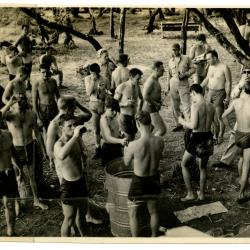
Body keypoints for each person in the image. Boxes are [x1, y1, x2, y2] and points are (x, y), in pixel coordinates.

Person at [1, 94, 48, 210]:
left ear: (26, 101)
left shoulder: (31, 114)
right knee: (17, 175)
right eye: (17, 99)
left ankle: (36, 200)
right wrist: (9, 103)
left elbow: (37, 133)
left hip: (29, 146)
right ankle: (18, 203)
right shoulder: (9, 115)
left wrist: (44, 149)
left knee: (32, 175)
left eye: (22, 99)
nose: (20, 101)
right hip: (15, 149)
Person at [124, 111, 164, 237]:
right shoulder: (160, 141)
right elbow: (159, 156)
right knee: (153, 212)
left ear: (137, 123)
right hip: (153, 178)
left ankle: (136, 242)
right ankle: (153, 237)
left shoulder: (133, 145)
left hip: (139, 181)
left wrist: (125, 149)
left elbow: (126, 163)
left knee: (133, 213)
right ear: (150, 123)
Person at [178, 84, 215, 201]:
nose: (191, 97)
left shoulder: (195, 106)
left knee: (184, 164)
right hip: (208, 136)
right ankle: (202, 194)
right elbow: (217, 124)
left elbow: (193, 125)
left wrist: (182, 121)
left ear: (193, 93)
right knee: (203, 167)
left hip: (197, 137)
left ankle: (190, 193)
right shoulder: (211, 106)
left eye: (191, 95)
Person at [54, 117, 89, 236]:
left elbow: (84, 151)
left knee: (82, 216)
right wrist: (75, 137)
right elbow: (61, 155)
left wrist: (84, 153)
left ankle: (85, 239)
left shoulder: (76, 139)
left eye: (74, 125)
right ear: (61, 128)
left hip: (80, 180)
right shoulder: (59, 144)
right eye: (69, 126)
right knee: (69, 219)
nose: (73, 128)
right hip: (69, 185)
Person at [212, 71, 250, 170]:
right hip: (242, 116)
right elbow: (233, 96)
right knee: (234, 137)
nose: (247, 74)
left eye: (249, 72)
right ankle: (225, 161)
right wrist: (241, 86)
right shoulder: (240, 85)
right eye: (244, 72)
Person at [222, 81, 250, 203]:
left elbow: (223, 116)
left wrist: (231, 129)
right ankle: (241, 194)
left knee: (241, 159)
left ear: (243, 90)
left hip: (238, 134)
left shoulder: (236, 102)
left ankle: (241, 181)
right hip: (248, 136)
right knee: (246, 165)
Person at [201, 50, 232, 144]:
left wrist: (228, 96)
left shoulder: (224, 67)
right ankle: (214, 135)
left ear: (215, 58)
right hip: (210, 92)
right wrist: (198, 87)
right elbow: (207, 78)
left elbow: (229, 83)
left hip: (220, 93)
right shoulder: (210, 66)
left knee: (220, 116)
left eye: (209, 59)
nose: (207, 61)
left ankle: (220, 137)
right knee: (211, 116)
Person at [0, 107, 20, 236]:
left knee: (9, 204)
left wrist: (18, 167)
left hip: (8, 173)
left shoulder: (7, 134)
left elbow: (13, 152)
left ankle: (11, 232)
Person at [167, 43, 195, 132]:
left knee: (186, 105)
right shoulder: (170, 61)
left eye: (176, 49)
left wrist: (185, 74)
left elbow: (193, 69)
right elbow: (169, 75)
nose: (174, 52)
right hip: (173, 84)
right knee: (175, 106)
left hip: (183, 83)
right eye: (173, 50)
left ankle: (189, 125)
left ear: (180, 49)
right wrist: (167, 87)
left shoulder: (186, 58)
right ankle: (178, 124)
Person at [85, 63, 109, 159]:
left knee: (105, 127)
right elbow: (88, 93)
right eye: (91, 73)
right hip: (94, 103)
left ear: (98, 72)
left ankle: (107, 146)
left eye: (95, 73)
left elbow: (109, 91)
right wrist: (93, 82)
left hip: (103, 104)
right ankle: (97, 148)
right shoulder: (88, 79)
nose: (93, 75)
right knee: (96, 129)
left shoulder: (104, 79)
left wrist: (105, 94)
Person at [114, 68, 143, 141]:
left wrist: (139, 110)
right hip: (124, 116)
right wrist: (125, 104)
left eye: (139, 79)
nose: (139, 81)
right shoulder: (122, 87)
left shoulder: (137, 86)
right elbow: (114, 103)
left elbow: (141, 99)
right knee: (128, 139)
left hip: (133, 116)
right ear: (131, 77)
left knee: (132, 137)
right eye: (137, 79)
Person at [32, 63, 60, 140]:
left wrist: (60, 110)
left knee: (55, 128)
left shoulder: (53, 81)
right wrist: (38, 117)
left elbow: (58, 97)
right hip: (43, 109)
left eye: (47, 72)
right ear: (39, 72)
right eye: (43, 72)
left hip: (53, 107)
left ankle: (56, 147)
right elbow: (34, 102)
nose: (45, 74)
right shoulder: (36, 84)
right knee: (45, 130)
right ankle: (47, 150)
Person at [100, 95, 128, 167]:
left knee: (119, 166)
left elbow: (116, 129)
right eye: (112, 110)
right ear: (106, 108)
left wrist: (121, 134)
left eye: (116, 110)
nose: (115, 113)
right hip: (108, 148)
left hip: (116, 146)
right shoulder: (104, 120)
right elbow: (108, 137)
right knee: (109, 169)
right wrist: (121, 141)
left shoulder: (114, 117)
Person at [143, 61, 166, 136]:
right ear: (156, 69)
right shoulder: (151, 81)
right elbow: (145, 95)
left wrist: (159, 102)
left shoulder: (156, 79)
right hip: (150, 108)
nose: (164, 71)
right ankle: (152, 144)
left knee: (148, 131)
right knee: (162, 130)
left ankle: (147, 144)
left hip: (152, 108)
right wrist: (156, 104)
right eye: (162, 69)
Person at [13, 24, 33, 90]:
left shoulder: (27, 37)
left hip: (29, 55)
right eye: (25, 30)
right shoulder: (21, 37)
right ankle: (21, 85)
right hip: (24, 56)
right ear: (22, 30)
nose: (26, 31)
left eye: (27, 30)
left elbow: (30, 46)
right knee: (24, 71)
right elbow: (15, 45)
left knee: (29, 70)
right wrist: (20, 51)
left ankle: (28, 84)